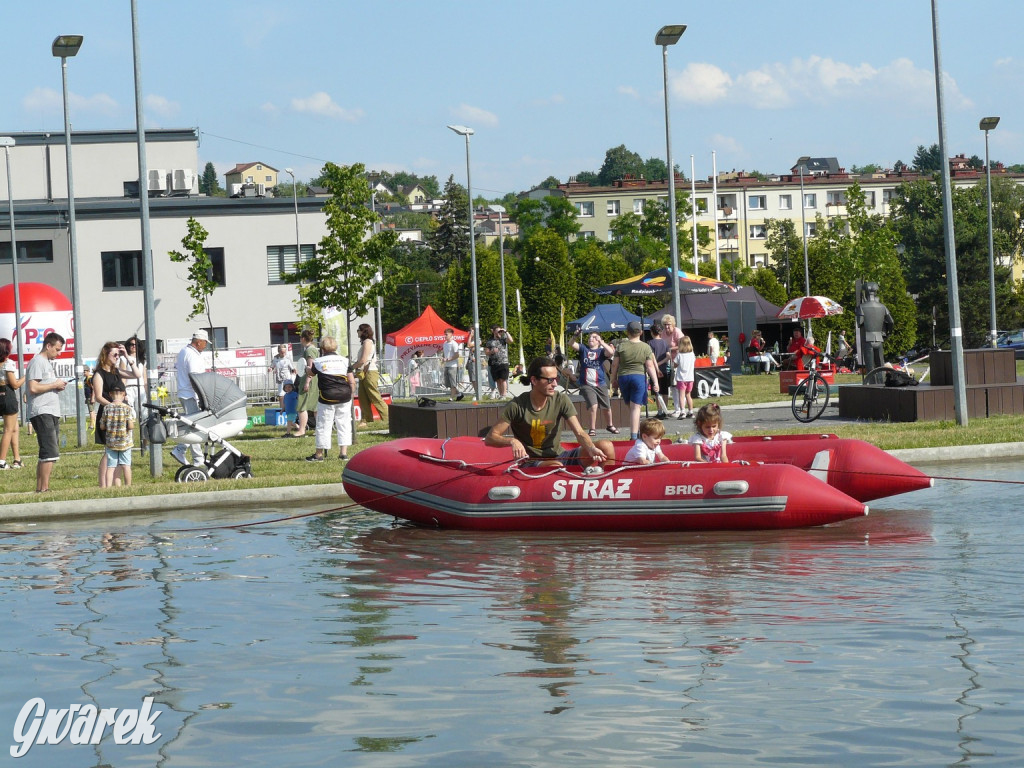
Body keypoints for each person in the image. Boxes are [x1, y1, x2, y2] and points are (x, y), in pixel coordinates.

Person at [485, 355, 612, 472]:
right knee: (555, 467)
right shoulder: (516, 405)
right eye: (550, 380)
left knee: (606, 446)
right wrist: (512, 441)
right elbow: (491, 438)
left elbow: (579, 432)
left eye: (556, 379)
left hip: (561, 456)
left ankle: (606, 487)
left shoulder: (561, 399)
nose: (556, 384)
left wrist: (591, 448)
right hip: (532, 462)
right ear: (534, 380)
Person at [94, 340, 142, 485]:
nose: (117, 357)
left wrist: (127, 357)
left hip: (122, 416)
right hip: (109, 414)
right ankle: (104, 484)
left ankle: (117, 482)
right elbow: (98, 396)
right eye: (114, 354)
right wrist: (114, 408)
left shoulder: (116, 371)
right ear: (106, 354)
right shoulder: (99, 374)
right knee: (109, 451)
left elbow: (137, 374)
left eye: (118, 354)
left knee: (122, 448)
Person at [26, 332, 67, 493]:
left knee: (46, 452)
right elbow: (33, 387)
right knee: (50, 451)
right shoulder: (38, 362)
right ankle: (44, 489)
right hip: (42, 411)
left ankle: (40, 488)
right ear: (48, 346)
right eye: (57, 349)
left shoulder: (47, 363)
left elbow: (44, 385)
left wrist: (57, 386)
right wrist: (54, 385)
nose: (59, 353)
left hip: (50, 410)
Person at [305, 335, 355, 463]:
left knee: (323, 425)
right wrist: (351, 394)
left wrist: (306, 369)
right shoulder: (345, 360)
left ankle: (319, 454)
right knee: (344, 424)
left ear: (322, 348)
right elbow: (351, 380)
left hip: (327, 397)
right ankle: (343, 453)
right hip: (344, 396)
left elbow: (311, 373)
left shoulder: (318, 362)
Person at [609, 320, 660, 441]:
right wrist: (656, 382)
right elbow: (650, 366)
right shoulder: (645, 347)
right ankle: (634, 436)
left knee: (631, 406)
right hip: (638, 377)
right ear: (641, 332)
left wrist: (613, 379)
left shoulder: (621, 346)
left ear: (628, 332)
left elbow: (615, 365)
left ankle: (635, 431)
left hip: (624, 377)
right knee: (636, 408)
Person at [570, 330, 618, 437]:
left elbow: (611, 352)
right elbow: (571, 344)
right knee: (594, 406)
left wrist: (602, 343)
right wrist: (575, 335)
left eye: (594, 337)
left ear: (598, 340)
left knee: (607, 406)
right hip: (586, 383)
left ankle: (610, 425)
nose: (591, 339)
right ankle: (592, 428)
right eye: (590, 337)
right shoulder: (584, 349)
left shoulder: (601, 351)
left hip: (600, 383)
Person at [172, 330, 208, 466]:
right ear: (198, 342)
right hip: (190, 394)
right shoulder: (192, 355)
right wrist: (202, 395)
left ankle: (180, 449)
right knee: (195, 427)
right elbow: (195, 377)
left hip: (185, 392)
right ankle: (198, 460)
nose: (206, 346)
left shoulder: (184, 351)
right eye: (205, 343)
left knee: (191, 424)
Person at [98, 380, 134, 488]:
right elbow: (131, 426)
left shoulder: (106, 408)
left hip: (111, 442)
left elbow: (102, 426)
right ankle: (128, 486)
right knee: (126, 466)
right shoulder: (127, 408)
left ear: (110, 394)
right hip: (125, 442)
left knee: (111, 467)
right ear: (124, 394)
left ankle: (108, 487)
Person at [352, 323, 388, 424]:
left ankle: (387, 418)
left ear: (364, 331)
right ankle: (366, 420)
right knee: (363, 398)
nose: (357, 332)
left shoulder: (368, 342)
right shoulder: (365, 342)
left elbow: (363, 360)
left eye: (358, 330)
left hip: (370, 372)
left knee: (374, 396)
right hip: (364, 372)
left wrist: (351, 368)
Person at [857, 282, 894, 371]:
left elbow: (859, 323)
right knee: (880, 365)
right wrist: (889, 332)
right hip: (879, 339)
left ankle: (871, 384)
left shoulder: (861, 307)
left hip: (867, 339)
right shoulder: (883, 307)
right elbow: (891, 322)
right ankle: (881, 383)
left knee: (870, 368)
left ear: (865, 293)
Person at [0, 338, 25, 470]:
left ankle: (17, 459)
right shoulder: (8, 364)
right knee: (8, 430)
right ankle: (2, 461)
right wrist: (26, 377)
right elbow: (15, 385)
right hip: (8, 396)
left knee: (14, 428)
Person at [288, 329, 318, 437]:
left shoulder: (309, 351)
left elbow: (311, 366)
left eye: (300, 338)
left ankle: (302, 430)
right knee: (315, 407)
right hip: (314, 380)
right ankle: (318, 430)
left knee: (302, 406)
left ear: (303, 339)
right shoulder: (312, 349)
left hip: (309, 380)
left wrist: (307, 382)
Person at [648, 322, 673, 419]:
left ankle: (659, 411)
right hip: (664, 369)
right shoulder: (664, 342)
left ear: (652, 332)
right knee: (665, 391)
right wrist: (662, 363)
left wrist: (657, 366)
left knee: (657, 391)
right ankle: (665, 409)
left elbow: (652, 356)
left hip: (655, 370)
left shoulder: (650, 343)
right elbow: (668, 356)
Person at [485, 325, 514, 399]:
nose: (499, 333)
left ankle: (504, 395)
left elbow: (511, 341)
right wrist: (492, 351)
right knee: (498, 380)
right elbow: (486, 352)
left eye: (500, 332)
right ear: (494, 332)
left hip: (503, 362)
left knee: (503, 379)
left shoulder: (503, 339)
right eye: (498, 331)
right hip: (494, 363)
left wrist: (506, 332)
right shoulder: (489, 341)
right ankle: (501, 394)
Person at [672, 335, 696, 419]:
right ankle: (691, 411)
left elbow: (674, 365)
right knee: (688, 395)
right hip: (690, 378)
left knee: (681, 395)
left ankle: (682, 411)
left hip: (681, 378)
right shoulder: (692, 354)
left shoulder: (679, 355)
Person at [269, 343, 296, 411]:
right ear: (279, 351)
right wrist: (270, 369)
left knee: (290, 394)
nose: (283, 353)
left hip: (288, 379)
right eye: (282, 352)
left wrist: (294, 372)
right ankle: (282, 409)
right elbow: (272, 366)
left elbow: (293, 368)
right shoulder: (275, 358)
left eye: (284, 352)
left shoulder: (288, 358)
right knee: (281, 396)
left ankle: (291, 408)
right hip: (280, 379)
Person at [441, 328, 463, 401]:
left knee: (453, 383)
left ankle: (451, 398)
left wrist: (448, 359)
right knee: (448, 384)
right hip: (446, 365)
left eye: (446, 334)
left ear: (451, 335)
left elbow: (457, 355)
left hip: (453, 366)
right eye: (445, 334)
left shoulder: (454, 344)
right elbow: (445, 353)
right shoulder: (444, 343)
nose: (445, 336)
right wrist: (443, 359)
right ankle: (459, 394)